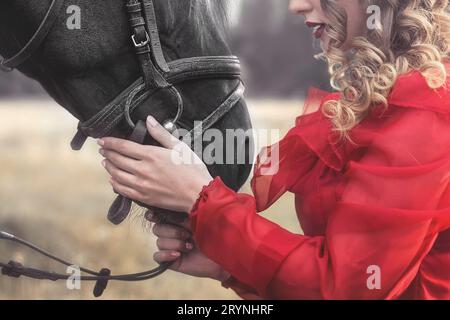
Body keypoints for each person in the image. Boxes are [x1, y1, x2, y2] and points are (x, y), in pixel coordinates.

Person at [97, 0, 450, 299]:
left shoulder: (427, 114)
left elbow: (345, 288)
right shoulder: (394, 101)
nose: (296, 5)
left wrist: (200, 199)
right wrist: (229, 262)